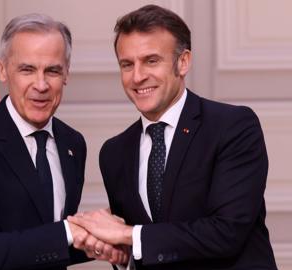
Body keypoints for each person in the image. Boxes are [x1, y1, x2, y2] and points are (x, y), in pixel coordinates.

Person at [68, 5, 278, 269]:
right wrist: (122, 254)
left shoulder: (233, 126)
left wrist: (127, 234)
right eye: (127, 64)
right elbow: (145, 247)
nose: (137, 76)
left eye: (151, 60)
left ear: (183, 62)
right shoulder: (114, 152)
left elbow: (227, 232)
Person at [0, 13, 126, 270]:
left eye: (53, 70)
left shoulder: (72, 144)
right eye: (27, 69)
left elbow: (47, 246)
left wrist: (99, 241)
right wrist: (72, 230)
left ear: (66, 73)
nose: (41, 84)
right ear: (3, 70)